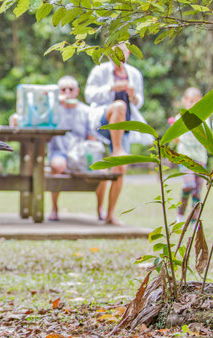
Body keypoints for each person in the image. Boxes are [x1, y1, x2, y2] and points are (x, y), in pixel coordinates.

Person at [85, 43, 145, 225]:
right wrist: (112, 88)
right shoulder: (100, 71)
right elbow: (89, 95)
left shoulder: (134, 74)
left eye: (123, 52)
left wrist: (132, 95)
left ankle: (110, 214)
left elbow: (138, 102)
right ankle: (99, 210)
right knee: (103, 168)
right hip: (103, 121)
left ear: (128, 54)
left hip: (124, 126)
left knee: (120, 170)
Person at [47, 76, 106, 221]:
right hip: (60, 152)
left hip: (81, 153)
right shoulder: (52, 111)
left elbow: (92, 137)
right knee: (57, 165)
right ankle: (54, 208)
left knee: (103, 171)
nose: (67, 92)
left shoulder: (86, 111)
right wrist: (55, 103)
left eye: (71, 89)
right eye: (63, 89)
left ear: (77, 92)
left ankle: (100, 209)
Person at [170, 88, 206, 223]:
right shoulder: (181, 118)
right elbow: (176, 139)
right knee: (189, 185)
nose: (193, 104)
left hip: (200, 159)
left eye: (196, 102)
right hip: (185, 157)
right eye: (190, 101)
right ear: (185, 101)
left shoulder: (204, 119)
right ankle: (180, 215)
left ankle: (193, 220)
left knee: (197, 191)